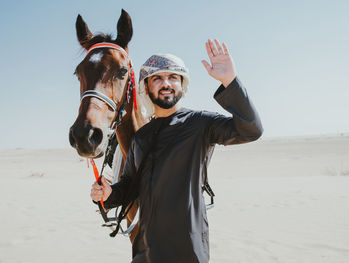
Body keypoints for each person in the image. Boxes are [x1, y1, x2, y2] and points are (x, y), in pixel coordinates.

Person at [90, 39, 263, 263]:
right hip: (145, 251)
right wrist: (108, 194)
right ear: (146, 87)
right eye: (157, 78)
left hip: (187, 250)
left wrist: (230, 81)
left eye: (173, 77)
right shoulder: (141, 137)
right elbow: (130, 187)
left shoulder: (200, 124)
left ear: (182, 85)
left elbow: (251, 129)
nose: (166, 83)